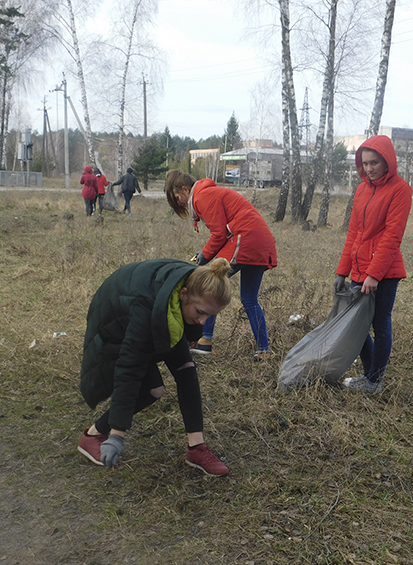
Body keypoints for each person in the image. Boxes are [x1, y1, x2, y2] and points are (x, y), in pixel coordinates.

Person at [78, 257, 233, 475]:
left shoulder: (197, 282)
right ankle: (93, 435)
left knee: (186, 368)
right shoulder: (147, 310)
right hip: (113, 325)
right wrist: (117, 436)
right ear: (183, 295)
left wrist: (192, 333)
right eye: (200, 312)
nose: (203, 321)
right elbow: (129, 371)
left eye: (210, 315)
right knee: (153, 389)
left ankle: (196, 447)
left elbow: (192, 320)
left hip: (157, 311)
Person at [165, 169, 277, 360]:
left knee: (208, 286)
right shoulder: (208, 193)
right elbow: (222, 232)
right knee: (249, 299)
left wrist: (204, 256)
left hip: (245, 238)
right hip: (260, 240)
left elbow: (219, 234)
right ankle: (263, 350)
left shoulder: (202, 196)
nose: (179, 203)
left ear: (185, 189)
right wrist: (206, 254)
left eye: (177, 198)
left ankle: (204, 341)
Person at [334, 135, 412, 394]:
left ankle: (374, 381)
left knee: (380, 324)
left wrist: (374, 275)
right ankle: (368, 375)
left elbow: (392, 236)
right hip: (359, 269)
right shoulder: (361, 189)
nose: (369, 168)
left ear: (387, 161)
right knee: (356, 326)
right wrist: (342, 271)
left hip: (385, 272)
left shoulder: (400, 190)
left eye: (374, 163)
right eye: (365, 163)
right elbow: (354, 233)